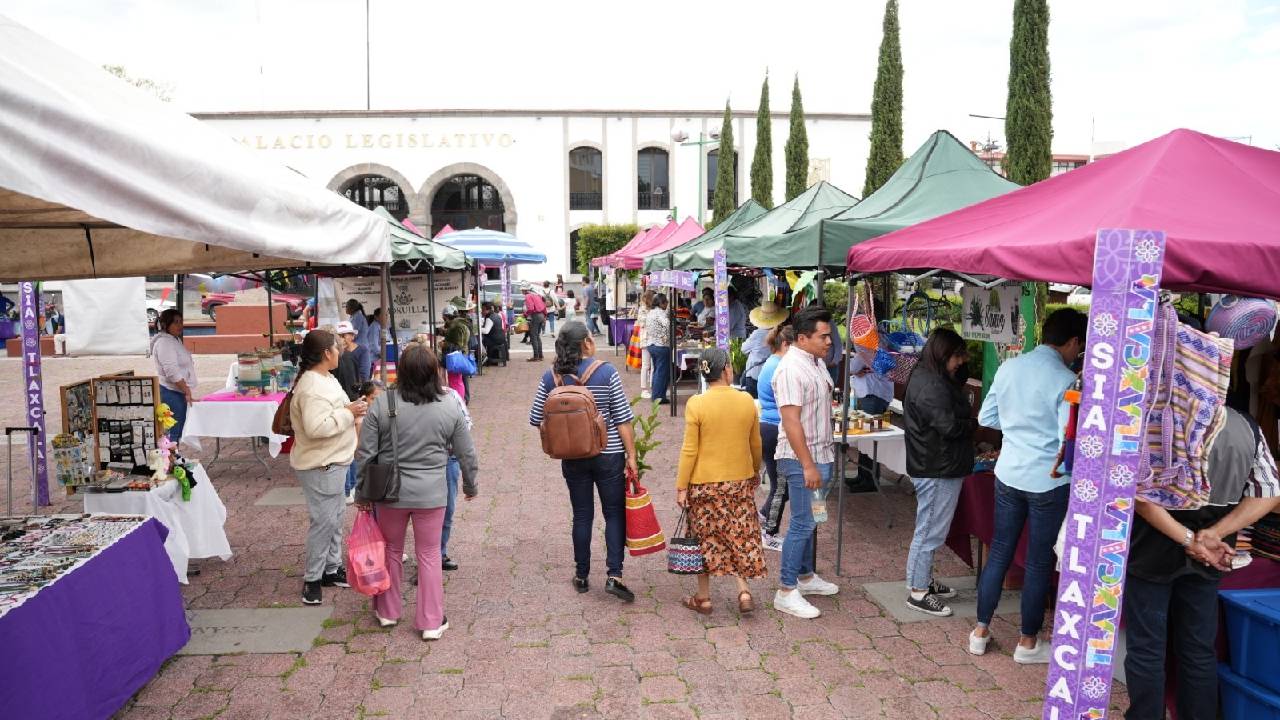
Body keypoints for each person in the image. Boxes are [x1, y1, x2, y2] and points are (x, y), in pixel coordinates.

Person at [1122, 407, 1278, 720]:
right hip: (1211, 551)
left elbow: (1139, 494)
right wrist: (1212, 535)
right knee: (1197, 648)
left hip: (1155, 548)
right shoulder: (1244, 423)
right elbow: (1270, 491)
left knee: (1147, 647)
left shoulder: (1153, 416)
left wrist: (1192, 539)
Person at [969, 308, 1086, 661]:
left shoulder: (1009, 367)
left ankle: (979, 631)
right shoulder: (1066, 380)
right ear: (1072, 342)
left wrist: (1019, 429)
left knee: (1000, 551)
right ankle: (1028, 642)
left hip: (1008, 472)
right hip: (1048, 482)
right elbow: (1070, 439)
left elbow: (987, 417)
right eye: (1078, 348)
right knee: (1037, 562)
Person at [357, 343, 478, 640]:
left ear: (402, 371)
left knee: (392, 551)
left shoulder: (383, 404)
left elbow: (365, 454)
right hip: (432, 493)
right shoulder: (450, 403)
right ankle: (431, 621)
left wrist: (362, 494)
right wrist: (470, 484)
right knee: (429, 554)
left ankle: (387, 611)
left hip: (390, 493)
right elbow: (467, 453)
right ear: (434, 371)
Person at [529, 321, 639, 602]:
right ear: (587, 343)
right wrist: (632, 456)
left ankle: (582, 575)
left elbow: (534, 418)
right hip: (609, 453)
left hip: (573, 455)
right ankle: (614, 575)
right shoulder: (606, 372)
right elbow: (623, 418)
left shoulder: (551, 377)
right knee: (613, 513)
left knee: (582, 514)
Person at [675, 347, 767, 615]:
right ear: (727, 369)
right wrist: (754, 470)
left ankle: (703, 598)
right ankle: (743, 590)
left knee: (703, 538)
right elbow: (755, 443)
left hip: (704, 483)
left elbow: (689, 450)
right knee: (738, 534)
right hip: (738, 480)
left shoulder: (697, 404)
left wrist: (682, 486)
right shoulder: (746, 400)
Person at [772, 306, 841, 619]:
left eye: (829, 335)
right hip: (803, 458)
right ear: (802, 338)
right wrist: (808, 465)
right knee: (802, 522)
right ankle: (786, 590)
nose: (829, 341)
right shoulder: (791, 369)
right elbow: (791, 422)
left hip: (821, 454)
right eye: (823, 336)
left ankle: (805, 576)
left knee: (814, 518)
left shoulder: (815, 362)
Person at [291, 329, 368, 605]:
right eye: (337, 347)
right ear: (326, 353)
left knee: (335, 516)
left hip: (334, 461)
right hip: (321, 463)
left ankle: (331, 568)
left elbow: (334, 411)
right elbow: (316, 427)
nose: (341, 351)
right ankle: (312, 579)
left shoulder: (326, 378)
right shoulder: (312, 386)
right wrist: (349, 413)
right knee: (324, 522)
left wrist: (350, 408)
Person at [902, 328, 974, 617]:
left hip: (935, 464)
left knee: (929, 529)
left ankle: (921, 581)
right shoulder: (932, 386)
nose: (961, 362)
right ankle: (918, 592)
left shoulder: (927, 375)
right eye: (957, 356)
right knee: (930, 531)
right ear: (944, 354)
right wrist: (973, 425)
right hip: (937, 467)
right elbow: (950, 427)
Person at [758, 325, 795, 552]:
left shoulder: (772, 362)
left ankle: (763, 517)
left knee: (780, 485)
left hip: (769, 428)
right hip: (775, 429)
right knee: (781, 487)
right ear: (786, 345)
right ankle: (769, 533)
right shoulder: (779, 367)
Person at [151, 309, 198, 443]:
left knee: (177, 431)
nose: (180, 325)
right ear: (166, 325)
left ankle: (174, 459)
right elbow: (172, 372)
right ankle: (171, 460)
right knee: (173, 434)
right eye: (175, 322)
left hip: (176, 391)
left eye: (181, 322)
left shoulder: (173, 340)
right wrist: (186, 390)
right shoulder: (165, 343)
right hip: (171, 392)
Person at [741, 301, 788, 398]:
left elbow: (743, 349)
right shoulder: (782, 333)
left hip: (755, 375)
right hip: (773, 375)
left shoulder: (757, 334)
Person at [645, 294, 673, 405]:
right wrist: (669, 318)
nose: (667, 304)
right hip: (661, 345)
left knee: (657, 371)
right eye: (666, 302)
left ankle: (656, 395)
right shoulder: (660, 313)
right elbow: (666, 324)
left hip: (652, 345)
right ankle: (659, 397)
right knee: (661, 372)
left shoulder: (651, 312)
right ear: (661, 303)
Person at [334, 320, 372, 399]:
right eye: (339, 336)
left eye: (344, 335)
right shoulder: (336, 352)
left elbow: (364, 375)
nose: (341, 339)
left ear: (352, 336)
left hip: (356, 391)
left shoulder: (362, 350)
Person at [628, 290, 653, 392]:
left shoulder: (654, 309)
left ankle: (652, 385)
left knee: (653, 365)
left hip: (654, 339)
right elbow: (643, 323)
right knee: (646, 365)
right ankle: (644, 389)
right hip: (646, 339)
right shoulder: (642, 309)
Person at [523, 284, 548, 361]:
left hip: (535, 316)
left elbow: (530, 308)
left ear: (525, 290)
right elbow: (544, 307)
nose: (521, 291)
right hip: (542, 316)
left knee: (533, 336)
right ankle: (540, 356)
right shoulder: (537, 295)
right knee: (537, 336)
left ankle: (536, 356)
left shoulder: (528, 296)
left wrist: (525, 314)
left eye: (522, 290)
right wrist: (545, 317)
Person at [480, 303, 506, 367]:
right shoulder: (497, 315)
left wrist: (478, 329)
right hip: (501, 338)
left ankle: (483, 357)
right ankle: (488, 357)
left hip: (494, 340)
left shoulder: (490, 318)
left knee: (479, 340)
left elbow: (486, 331)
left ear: (487, 310)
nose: (481, 311)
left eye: (483, 310)